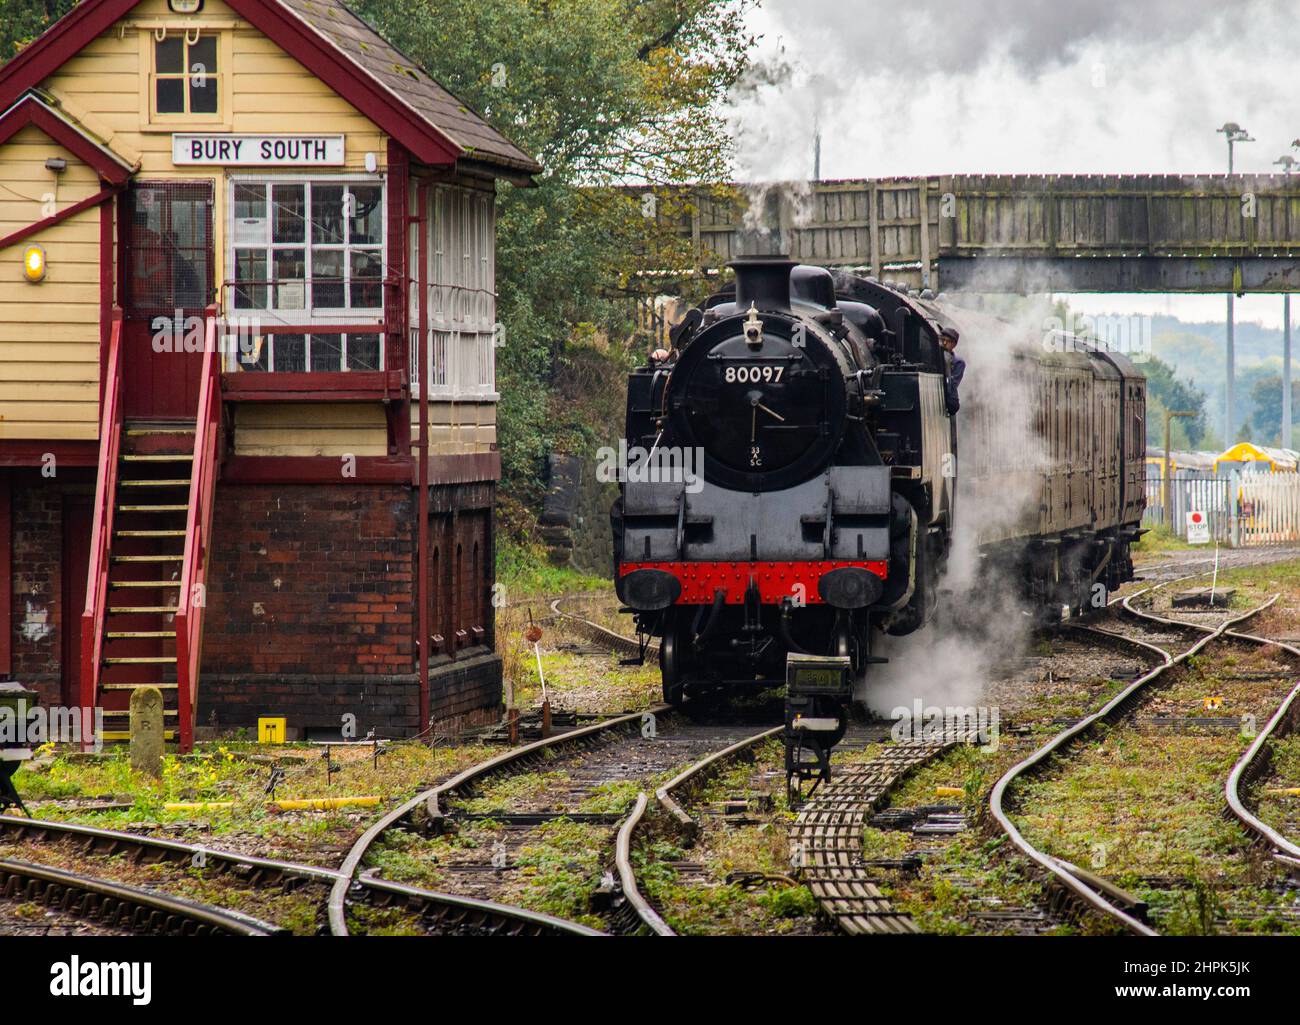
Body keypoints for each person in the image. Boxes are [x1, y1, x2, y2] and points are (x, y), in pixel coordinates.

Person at [939, 326, 964, 415]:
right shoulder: (936, 357)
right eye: (942, 340)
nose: (944, 343)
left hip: (951, 399)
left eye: (948, 341)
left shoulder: (959, 362)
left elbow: (952, 383)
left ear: (954, 344)